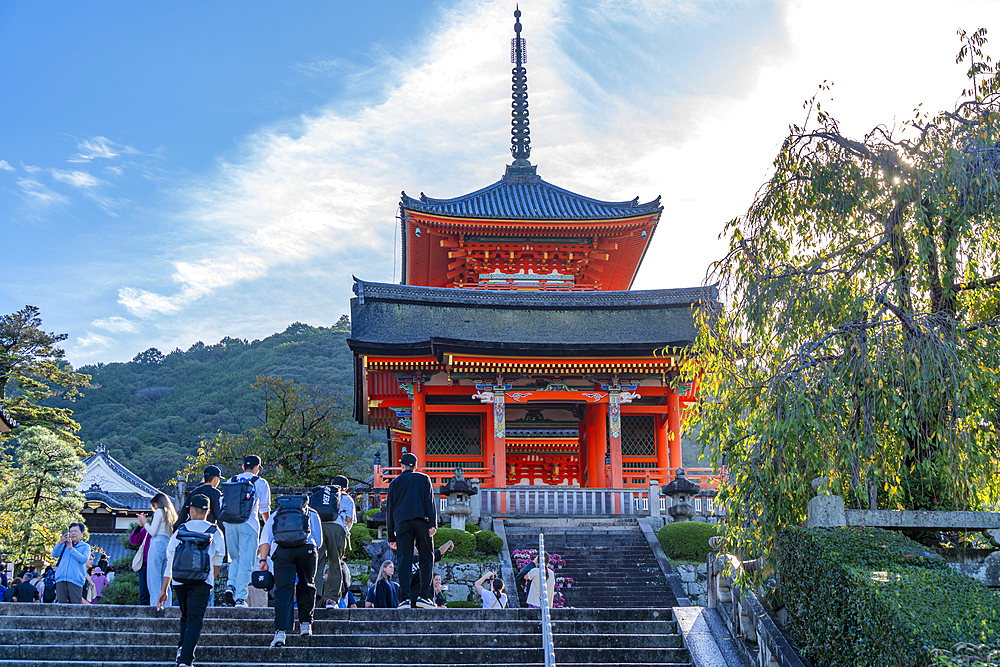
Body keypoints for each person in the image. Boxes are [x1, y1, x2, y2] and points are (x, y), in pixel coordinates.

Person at [157, 494, 225, 667]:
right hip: (202, 582)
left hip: (180, 581)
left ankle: (182, 649)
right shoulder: (215, 532)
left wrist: (164, 590)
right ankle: (186, 660)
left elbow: (170, 562)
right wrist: (211, 581)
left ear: (191, 510)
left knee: (185, 616)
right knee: (195, 619)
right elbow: (218, 561)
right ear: (208, 511)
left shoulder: (180, 530)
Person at [256, 494, 323, 647]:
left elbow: (265, 539)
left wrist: (263, 561)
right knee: (307, 585)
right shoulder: (311, 513)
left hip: (283, 552)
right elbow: (318, 541)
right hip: (307, 550)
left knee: (284, 590)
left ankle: (281, 632)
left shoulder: (277, 514)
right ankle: (306, 624)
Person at [386, 451, 437, 609]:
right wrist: (432, 524)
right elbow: (429, 501)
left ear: (402, 466)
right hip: (421, 521)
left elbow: (390, 510)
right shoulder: (423, 478)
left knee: (404, 561)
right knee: (426, 558)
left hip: (402, 523)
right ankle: (424, 596)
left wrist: (391, 537)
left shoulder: (395, 483)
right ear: (416, 466)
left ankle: (404, 599)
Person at [223, 455, 271, 608]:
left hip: (229, 523)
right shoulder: (260, 483)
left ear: (243, 467)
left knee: (235, 558)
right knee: (247, 561)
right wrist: (268, 528)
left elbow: (221, 502)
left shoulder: (231, 480)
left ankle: (230, 585)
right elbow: (264, 509)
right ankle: (240, 598)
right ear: (258, 467)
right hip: (248, 524)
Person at [315, 475, 355, 609]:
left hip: (319, 527)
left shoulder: (322, 495)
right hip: (336, 528)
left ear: (332, 484)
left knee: (317, 562)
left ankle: (313, 595)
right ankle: (331, 599)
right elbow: (349, 518)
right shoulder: (346, 498)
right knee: (335, 563)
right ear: (346, 488)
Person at [397, 539, 454, 608]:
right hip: (422, 598)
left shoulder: (402, 564)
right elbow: (440, 551)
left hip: (408, 599)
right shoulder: (423, 559)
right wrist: (449, 543)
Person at [146, 492, 178, 608]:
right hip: (168, 545)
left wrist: (145, 523)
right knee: (166, 579)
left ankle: (155, 606)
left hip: (157, 542)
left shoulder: (159, 511)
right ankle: (167, 606)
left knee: (153, 579)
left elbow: (153, 532)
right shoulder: (171, 514)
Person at [50, 522, 91, 604]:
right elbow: (54, 554)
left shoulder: (85, 546)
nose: (73, 533)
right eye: (71, 531)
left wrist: (71, 549)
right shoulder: (64, 545)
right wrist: (60, 543)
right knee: (61, 606)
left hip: (75, 579)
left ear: (82, 533)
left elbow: (83, 559)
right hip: (61, 578)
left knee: (75, 606)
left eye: (75, 531)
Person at [129, 518, 152, 605]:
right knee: (144, 591)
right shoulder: (147, 530)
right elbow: (133, 539)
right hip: (146, 563)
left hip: (157, 563)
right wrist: (139, 526)